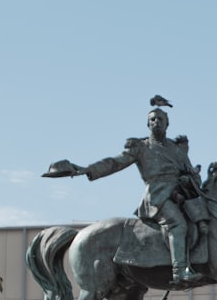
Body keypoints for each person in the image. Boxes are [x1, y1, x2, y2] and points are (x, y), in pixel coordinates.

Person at [75, 107, 208, 285]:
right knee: (177, 224)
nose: (156, 122)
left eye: (160, 119)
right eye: (152, 120)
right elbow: (116, 162)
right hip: (157, 197)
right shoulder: (141, 147)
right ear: (147, 124)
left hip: (181, 195)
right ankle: (180, 271)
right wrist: (90, 170)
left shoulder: (177, 149)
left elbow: (193, 174)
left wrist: (189, 178)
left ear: (167, 124)